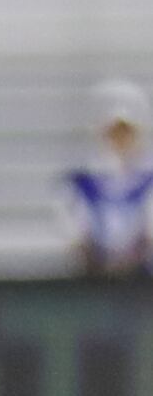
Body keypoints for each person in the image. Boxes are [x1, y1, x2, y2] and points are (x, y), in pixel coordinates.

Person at [62, 80, 153, 277]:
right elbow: (76, 235)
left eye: (125, 133)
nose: (120, 140)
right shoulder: (82, 182)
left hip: (141, 276)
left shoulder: (147, 181)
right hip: (95, 275)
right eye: (113, 133)